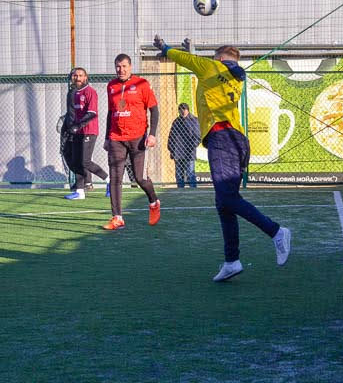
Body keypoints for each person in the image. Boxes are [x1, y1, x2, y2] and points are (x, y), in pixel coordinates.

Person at [154, 36, 291, 281]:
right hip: (237, 140)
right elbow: (231, 71)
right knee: (224, 202)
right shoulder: (237, 76)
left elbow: (185, 59)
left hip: (222, 138)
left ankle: (277, 232)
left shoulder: (211, 67)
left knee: (227, 198)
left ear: (218, 58)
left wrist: (165, 48)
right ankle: (232, 260)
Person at [102, 54, 161, 230]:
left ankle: (154, 202)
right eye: (118, 66)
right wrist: (107, 137)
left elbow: (154, 110)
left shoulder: (142, 84)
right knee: (115, 178)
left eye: (124, 66)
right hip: (116, 138)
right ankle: (117, 217)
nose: (121, 70)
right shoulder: (111, 86)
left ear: (130, 66)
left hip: (138, 137)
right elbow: (110, 113)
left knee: (139, 178)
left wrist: (152, 134)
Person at [62, 67, 109, 200]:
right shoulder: (73, 93)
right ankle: (80, 192)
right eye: (75, 75)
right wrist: (70, 127)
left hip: (89, 131)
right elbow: (72, 114)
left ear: (86, 77)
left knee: (85, 162)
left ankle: (109, 180)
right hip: (77, 131)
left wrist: (77, 126)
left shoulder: (90, 92)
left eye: (81, 75)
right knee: (77, 162)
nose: (78, 78)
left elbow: (92, 114)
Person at [167, 102, 200, 188]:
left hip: (189, 151)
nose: (182, 111)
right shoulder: (176, 122)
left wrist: (192, 147)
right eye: (180, 109)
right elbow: (171, 136)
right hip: (178, 151)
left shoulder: (194, 120)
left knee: (190, 174)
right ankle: (180, 191)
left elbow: (197, 136)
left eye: (184, 109)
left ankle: (193, 192)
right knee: (179, 175)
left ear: (187, 110)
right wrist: (171, 149)